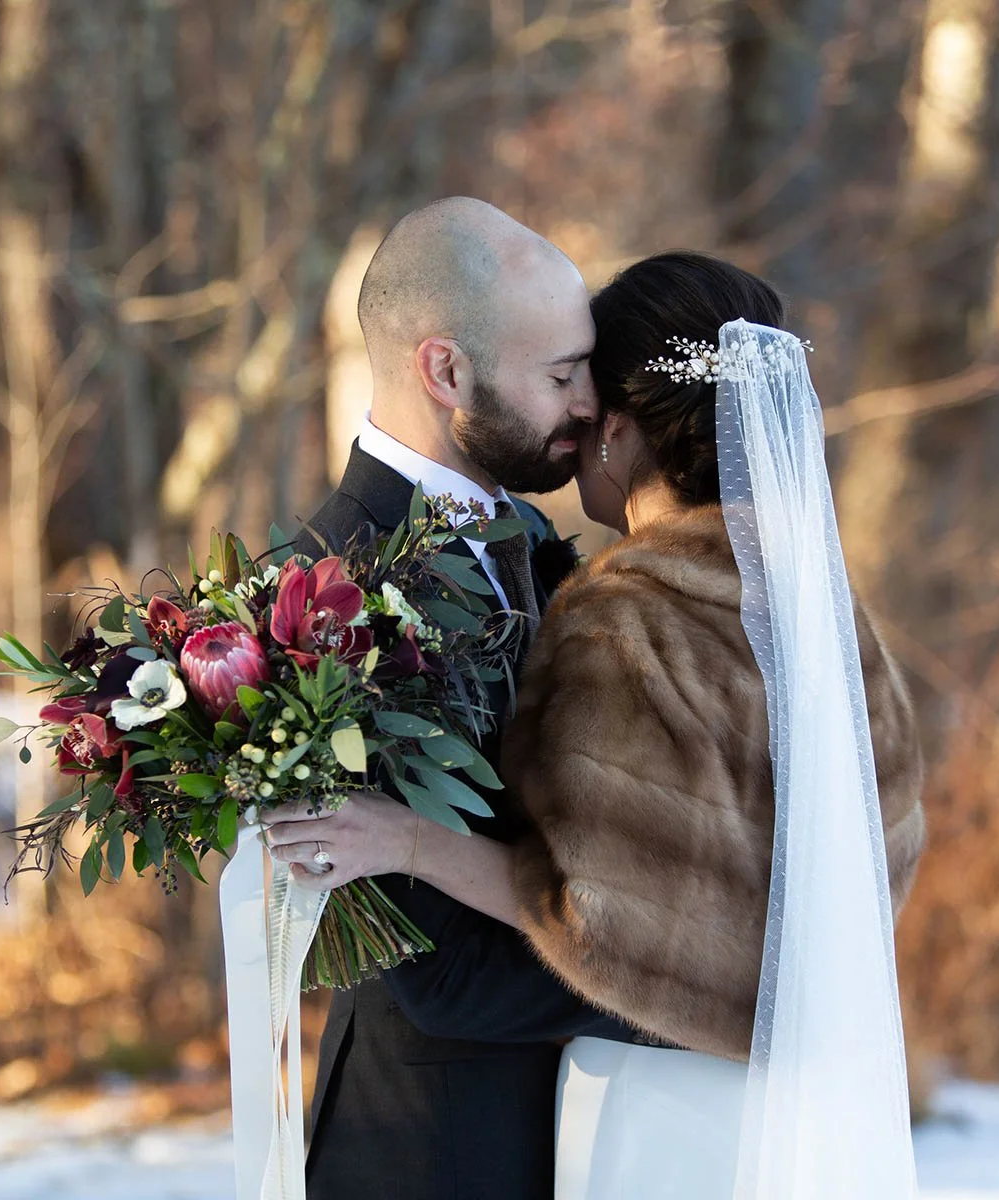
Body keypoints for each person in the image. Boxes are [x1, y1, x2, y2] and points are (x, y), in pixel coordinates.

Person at [265, 250, 927, 1196]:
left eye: (582, 390)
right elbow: (862, 883)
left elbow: (603, 926)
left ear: (621, 431)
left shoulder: (621, 610)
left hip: (649, 1109)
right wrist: (779, 994)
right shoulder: (829, 616)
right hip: (787, 1113)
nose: (570, 428)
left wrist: (410, 841)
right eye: (557, 377)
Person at [267, 196, 639, 1200]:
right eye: (560, 374)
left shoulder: (532, 533)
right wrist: (698, 992)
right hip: (435, 1150)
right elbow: (442, 976)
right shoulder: (321, 598)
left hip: (603, 1130)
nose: (589, 406)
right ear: (446, 370)